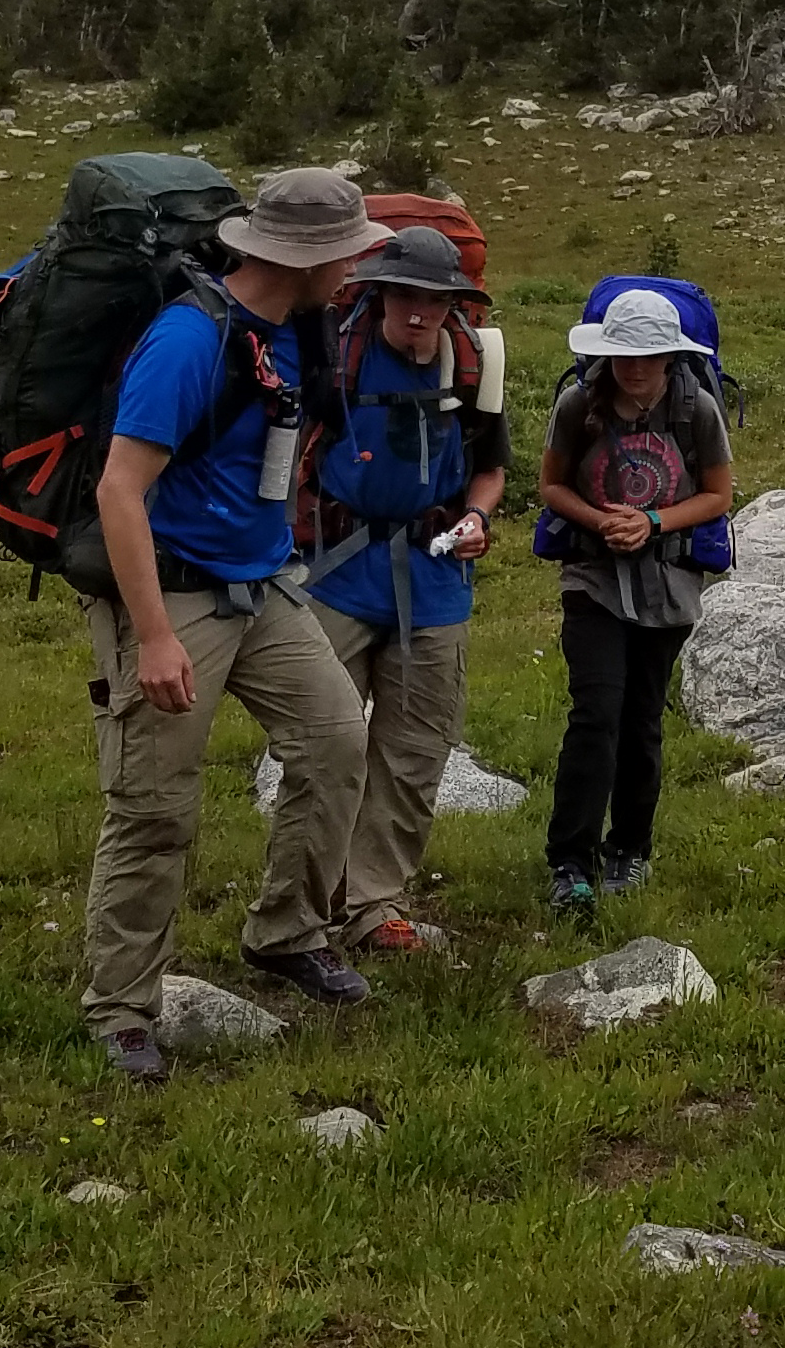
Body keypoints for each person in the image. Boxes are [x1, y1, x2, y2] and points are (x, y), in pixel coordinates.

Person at [79, 167, 389, 1085]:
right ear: (309, 258)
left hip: (262, 586)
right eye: (349, 252)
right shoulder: (188, 341)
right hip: (171, 595)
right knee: (154, 805)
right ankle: (122, 1005)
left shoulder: (303, 328)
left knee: (335, 742)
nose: (356, 266)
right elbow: (118, 489)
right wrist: (158, 637)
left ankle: (288, 928)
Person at [297, 226, 509, 956]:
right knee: (324, 745)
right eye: (406, 296)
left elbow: (491, 466)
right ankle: (301, 907)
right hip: (337, 573)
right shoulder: (335, 353)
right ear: (381, 292)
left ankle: (373, 904)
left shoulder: (473, 364)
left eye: (435, 299)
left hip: (435, 578)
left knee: (414, 749)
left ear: (455, 303)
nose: (419, 313)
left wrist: (478, 516)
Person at [536, 284, 734, 917]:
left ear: (672, 357)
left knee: (643, 718)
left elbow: (717, 496)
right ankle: (570, 861)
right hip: (591, 579)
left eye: (650, 357)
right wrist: (600, 522)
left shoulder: (696, 408)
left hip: (668, 583)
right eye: (625, 356)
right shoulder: (577, 404)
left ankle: (630, 848)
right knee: (596, 713)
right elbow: (550, 485)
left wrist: (652, 522)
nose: (637, 369)